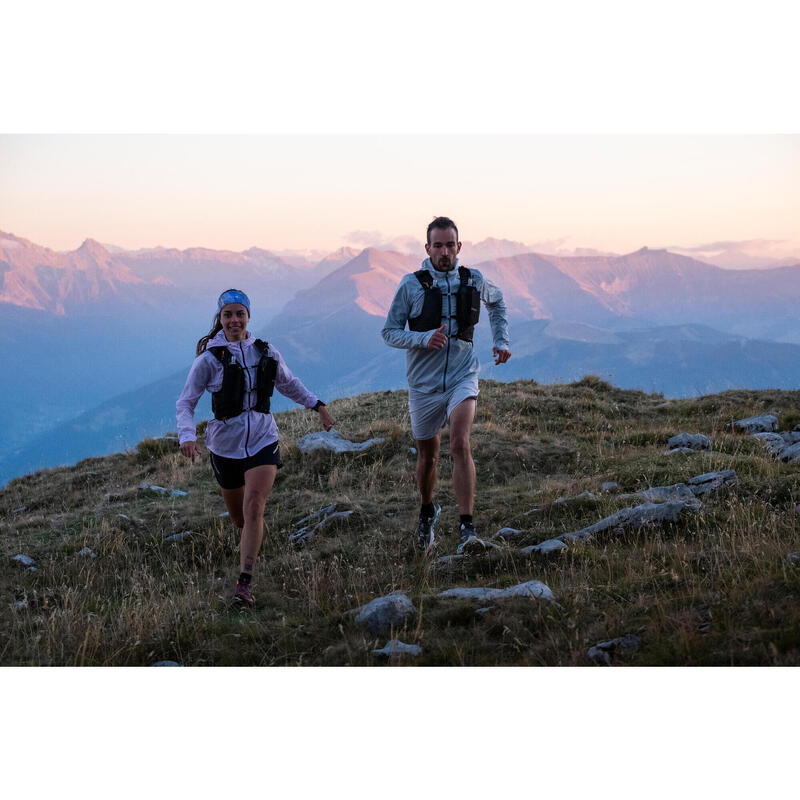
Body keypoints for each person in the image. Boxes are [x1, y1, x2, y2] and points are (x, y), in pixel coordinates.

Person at [176, 288, 335, 608]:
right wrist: (187, 436)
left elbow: (288, 383)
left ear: (248, 316)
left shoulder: (266, 352)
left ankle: (243, 584)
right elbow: (186, 402)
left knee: (253, 508)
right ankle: (253, 539)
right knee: (240, 519)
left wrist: (317, 406)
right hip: (224, 446)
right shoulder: (209, 360)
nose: (234, 320)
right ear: (219, 319)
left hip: (264, 439)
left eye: (240, 314)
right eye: (227, 315)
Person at [382, 217, 511, 554]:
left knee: (459, 443)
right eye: (437, 246)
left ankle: (467, 528)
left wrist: (501, 340)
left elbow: (497, 302)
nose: (443, 252)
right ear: (427, 249)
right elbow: (389, 331)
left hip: (462, 375)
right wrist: (423, 339)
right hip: (423, 384)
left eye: (449, 245)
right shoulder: (411, 285)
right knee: (428, 458)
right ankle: (428, 510)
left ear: (459, 247)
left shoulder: (473, 279)